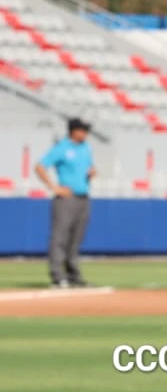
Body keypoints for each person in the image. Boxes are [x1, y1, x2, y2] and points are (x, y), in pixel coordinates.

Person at [34, 117, 96, 288]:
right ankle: (57, 275)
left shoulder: (86, 148)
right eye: (82, 130)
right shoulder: (62, 148)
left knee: (76, 238)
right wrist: (54, 187)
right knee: (60, 237)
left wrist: (91, 172)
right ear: (73, 131)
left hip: (83, 197)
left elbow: (89, 167)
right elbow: (40, 167)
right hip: (66, 199)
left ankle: (73, 275)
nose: (85, 133)